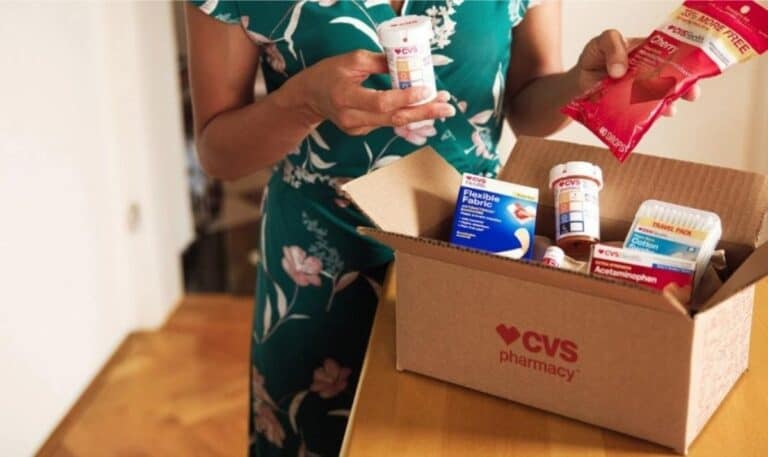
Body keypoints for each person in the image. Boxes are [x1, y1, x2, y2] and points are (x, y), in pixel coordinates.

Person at [184, 1, 700, 455]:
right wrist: (302, 103)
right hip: (316, 260)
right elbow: (217, 151)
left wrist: (578, 85)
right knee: (317, 433)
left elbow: (526, 103)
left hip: (472, 241)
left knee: (452, 434)